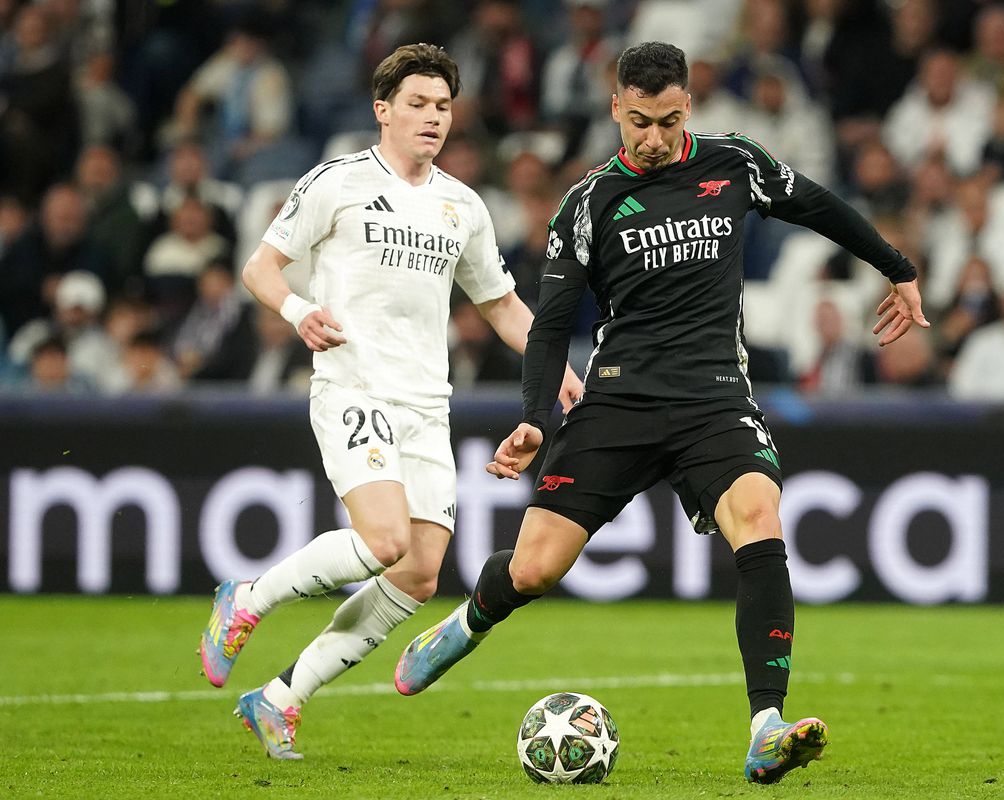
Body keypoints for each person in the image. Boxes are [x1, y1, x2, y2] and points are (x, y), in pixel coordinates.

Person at [393, 41, 928, 785]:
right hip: (619, 400)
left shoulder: (734, 163)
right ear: (617, 108)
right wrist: (536, 416)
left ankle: (766, 727)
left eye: (669, 122)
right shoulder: (588, 203)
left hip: (715, 397)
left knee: (760, 517)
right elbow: (550, 326)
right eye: (640, 122)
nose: (654, 138)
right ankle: (466, 622)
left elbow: (818, 205)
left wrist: (897, 269)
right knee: (535, 569)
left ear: (688, 108)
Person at [198, 43, 582, 760]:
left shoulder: (462, 206)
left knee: (418, 574)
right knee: (383, 541)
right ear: (383, 110)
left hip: (427, 405)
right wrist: (297, 312)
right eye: (417, 104)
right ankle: (246, 599)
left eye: (443, 106)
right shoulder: (337, 182)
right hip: (354, 385)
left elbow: (500, 304)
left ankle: (280, 698)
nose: (432, 117)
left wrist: (552, 360)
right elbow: (260, 268)